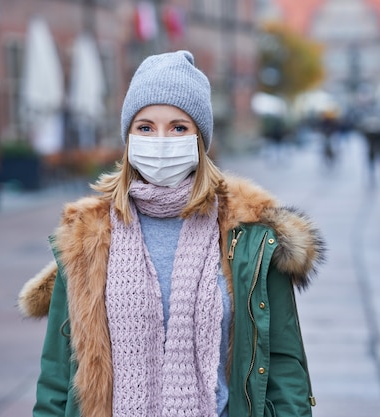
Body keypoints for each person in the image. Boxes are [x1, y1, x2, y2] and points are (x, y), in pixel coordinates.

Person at [17, 50, 325, 417]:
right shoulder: (88, 238)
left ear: (199, 139)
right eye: (145, 127)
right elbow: (56, 378)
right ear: (129, 137)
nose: (160, 140)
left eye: (178, 127)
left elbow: (284, 367)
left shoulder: (252, 238)